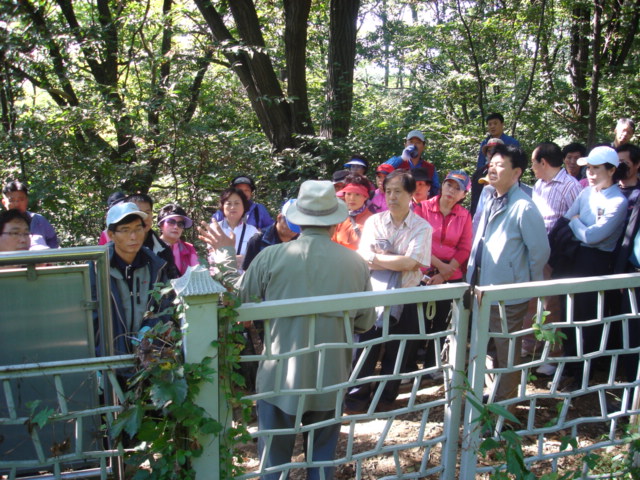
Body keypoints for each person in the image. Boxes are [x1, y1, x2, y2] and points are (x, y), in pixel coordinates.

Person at [199, 180, 375, 480]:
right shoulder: (356, 264)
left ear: (298, 220)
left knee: (275, 462)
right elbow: (365, 322)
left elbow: (237, 299)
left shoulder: (271, 257)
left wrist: (226, 254)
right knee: (322, 457)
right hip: (330, 376)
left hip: (281, 375)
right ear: (335, 222)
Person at [466, 144, 549, 406]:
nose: (492, 167)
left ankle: (504, 409)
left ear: (516, 173)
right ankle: (492, 395)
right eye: (491, 163)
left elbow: (540, 252)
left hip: (507, 294)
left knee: (507, 352)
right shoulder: (489, 194)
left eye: (500, 165)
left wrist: (531, 292)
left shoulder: (524, 207)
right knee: (486, 348)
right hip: (481, 287)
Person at [345, 169, 432, 412]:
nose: (392, 197)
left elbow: (412, 263)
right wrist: (395, 258)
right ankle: (355, 399)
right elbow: (364, 257)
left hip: (408, 295)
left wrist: (380, 258)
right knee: (364, 348)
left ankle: (385, 400)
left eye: (398, 192)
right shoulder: (374, 221)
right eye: (388, 191)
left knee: (399, 350)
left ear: (411, 194)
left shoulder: (422, 227)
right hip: (374, 293)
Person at [560, 146, 628, 391]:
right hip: (575, 259)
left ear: (611, 169)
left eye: (596, 168)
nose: (589, 173)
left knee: (588, 318)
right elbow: (570, 218)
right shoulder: (586, 192)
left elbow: (594, 237)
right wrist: (580, 225)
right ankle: (569, 367)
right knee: (569, 313)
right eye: (588, 167)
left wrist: (578, 223)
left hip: (597, 262)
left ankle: (582, 375)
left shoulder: (619, 201)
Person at [95, 202, 175, 357]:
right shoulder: (98, 268)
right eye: (125, 230)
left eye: (138, 229)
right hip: (108, 358)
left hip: (149, 357)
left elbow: (165, 307)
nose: (133, 236)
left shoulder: (156, 266)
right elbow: (91, 317)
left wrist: (151, 328)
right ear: (111, 235)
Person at [414, 170, 472, 371]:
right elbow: (418, 242)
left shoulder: (464, 215)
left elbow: (465, 247)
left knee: (441, 323)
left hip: (450, 275)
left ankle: (432, 366)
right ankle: (409, 367)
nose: (452, 191)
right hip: (422, 272)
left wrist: (446, 273)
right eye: (449, 185)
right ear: (442, 186)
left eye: (458, 189)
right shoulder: (422, 208)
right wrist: (441, 268)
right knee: (416, 322)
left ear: (464, 195)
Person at [125, 194, 180, 280]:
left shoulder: (163, 249)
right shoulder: (116, 248)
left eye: (147, 213)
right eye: (139, 213)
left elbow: (171, 284)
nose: (144, 218)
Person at [208, 187, 260, 271]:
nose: (232, 207)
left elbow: (257, 258)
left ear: (244, 206)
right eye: (228, 203)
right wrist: (238, 259)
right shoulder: (214, 228)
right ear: (222, 206)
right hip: (219, 278)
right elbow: (212, 256)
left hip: (244, 280)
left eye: (237, 203)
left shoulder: (252, 231)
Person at [242, 199, 300, 270]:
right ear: (279, 218)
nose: (294, 230)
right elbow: (248, 274)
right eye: (291, 224)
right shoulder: (258, 240)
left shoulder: (303, 242)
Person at [2, 180, 59, 249]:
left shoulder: (39, 221)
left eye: (21, 199)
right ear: (4, 202)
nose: (17, 204)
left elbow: (53, 245)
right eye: (12, 200)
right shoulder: (1, 222)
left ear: (27, 200)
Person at [384, 130, 440, 196]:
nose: (414, 145)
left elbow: (436, 191)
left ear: (423, 146)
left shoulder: (430, 168)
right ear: (405, 144)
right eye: (411, 142)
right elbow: (382, 170)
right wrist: (402, 158)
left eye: (418, 143)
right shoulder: (398, 162)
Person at [331, 175, 374, 250]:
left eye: (357, 194)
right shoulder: (339, 218)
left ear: (366, 196)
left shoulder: (373, 220)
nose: (352, 198)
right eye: (348, 194)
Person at [157, 204, 199, 276]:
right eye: (171, 222)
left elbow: (197, 274)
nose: (176, 227)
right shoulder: (152, 248)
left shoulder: (189, 249)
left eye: (180, 224)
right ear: (161, 225)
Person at [616, 143, 640, 214]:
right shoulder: (609, 188)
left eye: (624, 162)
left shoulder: (637, 194)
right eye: (617, 162)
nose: (619, 166)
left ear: (637, 164)